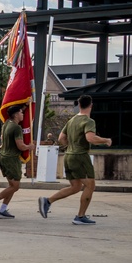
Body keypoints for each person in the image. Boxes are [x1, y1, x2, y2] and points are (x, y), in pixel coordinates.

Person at [38, 95, 112, 225]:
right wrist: (106, 140)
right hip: (80, 156)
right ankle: (80, 216)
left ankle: (47, 201)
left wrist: (70, 146)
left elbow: (61, 138)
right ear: (91, 105)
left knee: (76, 187)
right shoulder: (89, 121)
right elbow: (90, 138)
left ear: (78, 105)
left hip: (69, 155)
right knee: (90, 185)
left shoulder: (71, 120)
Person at [0, 104, 34, 219]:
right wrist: (29, 147)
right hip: (11, 159)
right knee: (15, 186)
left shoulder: (6, 124)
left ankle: (2, 210)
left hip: (4, 157)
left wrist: (25, 103)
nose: (23, 114)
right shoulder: (16, 128)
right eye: (21, 112)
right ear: (16, 115)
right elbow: (20, 146)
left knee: (11, 186)